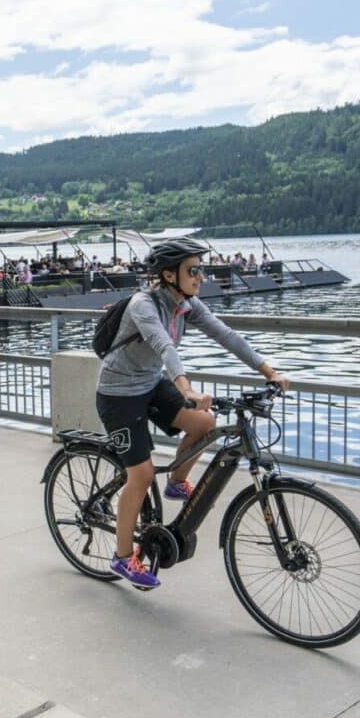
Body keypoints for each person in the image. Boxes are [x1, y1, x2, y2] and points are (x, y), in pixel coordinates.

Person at [96, 236, 289, 592]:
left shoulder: (186, 305)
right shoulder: (143, 304)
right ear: (169, 275)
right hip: (118, 394)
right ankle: (123, 556)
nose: (201, 276)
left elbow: (226, 336)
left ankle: (174, 484)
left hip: (150, 384)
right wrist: (186, 389)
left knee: (204, 423)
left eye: (201, 269)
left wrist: (269, 372)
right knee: (140, 474)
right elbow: (163, 345)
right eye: (194, 270)